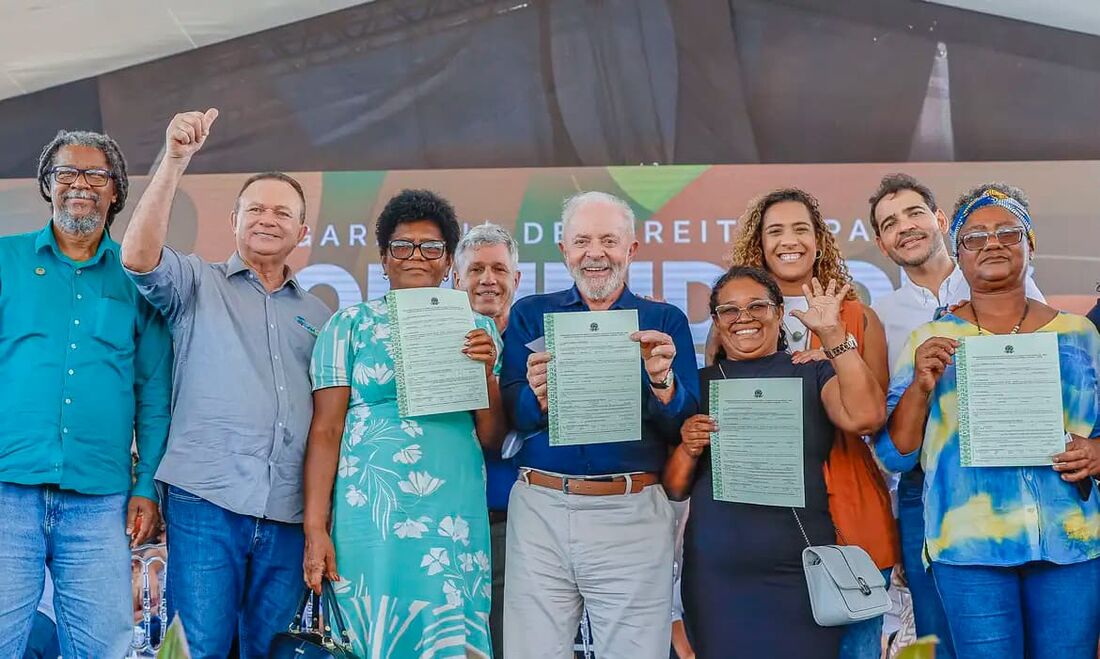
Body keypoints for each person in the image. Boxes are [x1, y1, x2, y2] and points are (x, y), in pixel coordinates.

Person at [121, 109, 332, 658]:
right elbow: (138, 257)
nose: (268, 218)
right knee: (198, 649)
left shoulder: (320, 316)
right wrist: (174, 159)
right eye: (255, 208)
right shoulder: (196, 282)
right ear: (233, 221)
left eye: (282, 212)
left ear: (303, 232)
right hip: (206, 501)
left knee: (270, 650)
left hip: (286, 513)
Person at [874, 184, 1100, 659]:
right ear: (958, 253)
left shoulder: (1080, 335)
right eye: (975, 237)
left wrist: (1097, 453)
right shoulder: (931, 338)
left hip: (1072, 543)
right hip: (969, 546)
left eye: (1007, 233)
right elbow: (895, 455)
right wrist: (919, 386)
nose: (992, 244)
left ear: (1029, 244)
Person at [303, 189, 507, 657]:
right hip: (369, 515)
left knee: (448, 639)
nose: (416, 256)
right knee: (374, 635)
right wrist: (316, 528)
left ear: (448, 263)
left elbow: (492, 437)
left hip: (452, 516)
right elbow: (326, 431)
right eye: (403, 246)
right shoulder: (347, 325)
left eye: (431, 247)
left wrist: (486, 374)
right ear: (383, 259)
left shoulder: (478, 327)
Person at [500, 191, 699, 659]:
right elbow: (514, 416)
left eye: (609, 240)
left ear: (632, 248)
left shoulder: (664, 320)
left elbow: (683, 427)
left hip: (632, 510)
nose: (596, 253)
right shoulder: (531, 314)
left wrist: (662, 381)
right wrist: (538, 396)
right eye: (583, 240)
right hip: (541, 508)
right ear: (563, 249)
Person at [0, 130, 171, 658]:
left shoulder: (137, 277)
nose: (80, 184)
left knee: (103, 650)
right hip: (7, 491)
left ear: (116, 192)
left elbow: (154, 394)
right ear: (47, 187)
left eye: (96, 175)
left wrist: (147, 484)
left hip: (101, 500)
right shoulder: (4, 261)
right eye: (66, 174)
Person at [711, 187, 897, 659]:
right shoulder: (734, 321)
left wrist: (836, 353)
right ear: (759, 241)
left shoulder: (858, 316)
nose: (788, 240)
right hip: (761, 520)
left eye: (801, 229)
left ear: (819, 241)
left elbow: (872, 420)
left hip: (847, 515)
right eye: (775, 230)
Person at [668, 266, 885, 658]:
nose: (744, 318)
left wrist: (834, 335)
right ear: (715, 321)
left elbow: (866, 416)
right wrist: (687, 446)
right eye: (729, 310)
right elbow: (675, 486)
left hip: (800, 572)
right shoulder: (696, 384)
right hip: (718, 578)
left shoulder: (812, 370)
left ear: (780, 312)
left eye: (757, 306)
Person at [452, 222, 522, 658]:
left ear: (517, 279)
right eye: (475, 269)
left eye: (499, 269)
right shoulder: (433, 343)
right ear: (455, 279)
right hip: (447, 521)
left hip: (516, 523)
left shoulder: (536, 341)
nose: (488, 280)